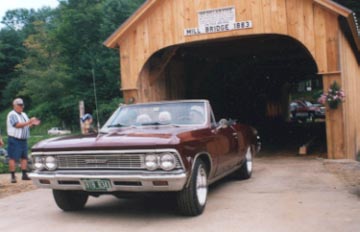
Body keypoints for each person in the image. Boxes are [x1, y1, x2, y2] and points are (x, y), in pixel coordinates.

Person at [7, 98, 40, 183]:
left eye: (22, 105)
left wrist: (33, 124)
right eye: (19, 105)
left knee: (24, 157)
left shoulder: (24, 114)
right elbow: (17, 125)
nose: (21, 107)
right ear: (14, 106)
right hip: (14, 139)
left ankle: (24, 174)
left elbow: (27, 126)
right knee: (13, 158)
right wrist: (29, 121)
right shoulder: (12, 114)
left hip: (23, 139)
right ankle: (13, 176)